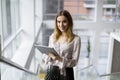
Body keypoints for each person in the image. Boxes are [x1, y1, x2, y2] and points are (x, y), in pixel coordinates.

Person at [42, 10, 81, 80]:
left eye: (64, 21)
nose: (61, 25)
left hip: (66, 73)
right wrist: (49, 56)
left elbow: (74, 62)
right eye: (58, 22)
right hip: (51, 71)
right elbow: (47, 55)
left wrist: (59, 59)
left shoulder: (76, 39)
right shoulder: (52, 37)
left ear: (69, 22)